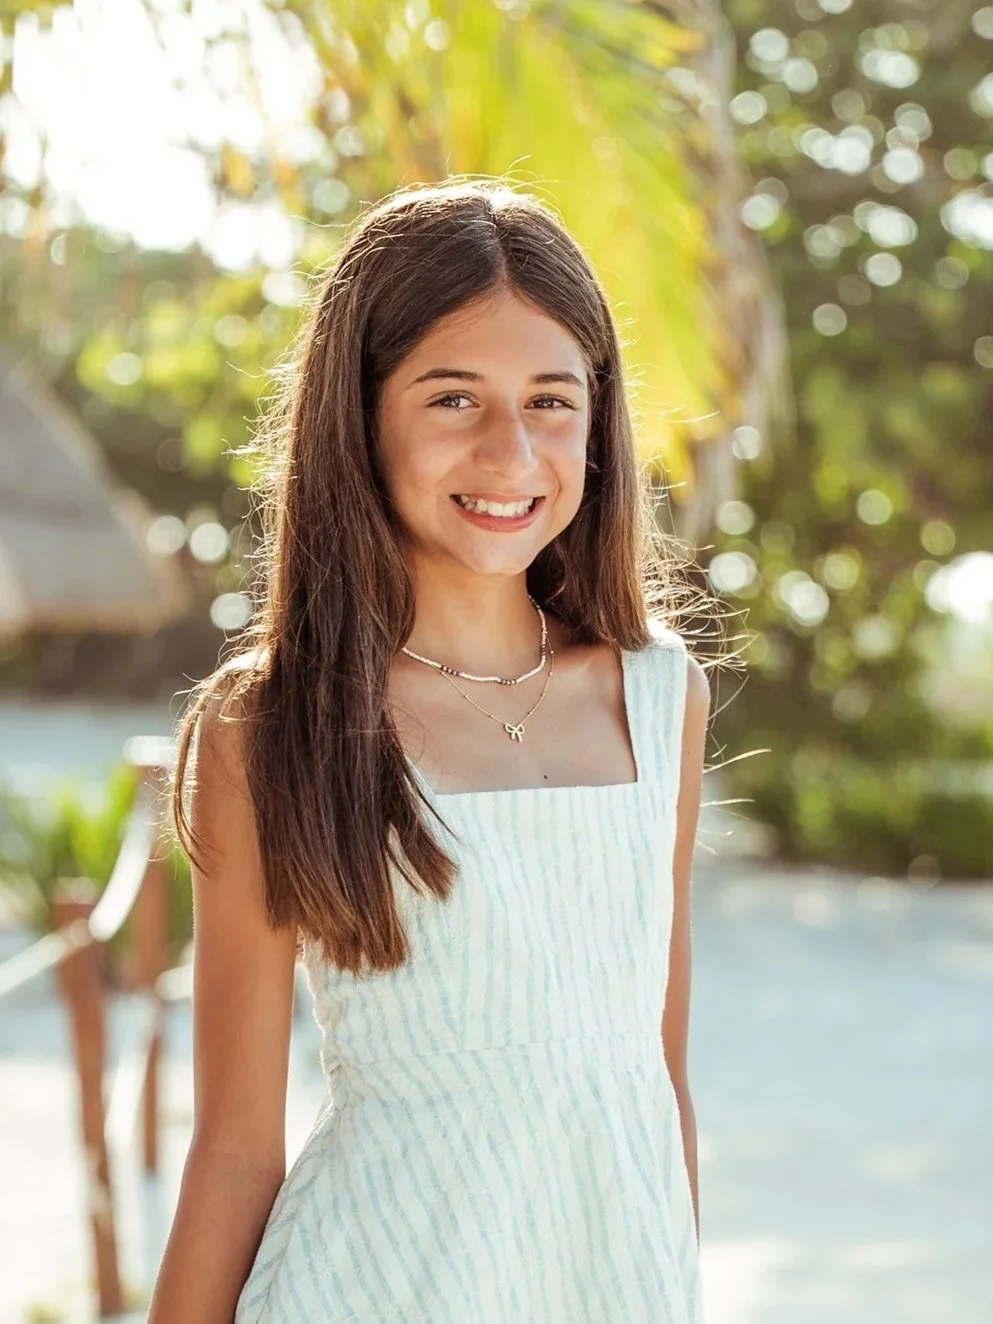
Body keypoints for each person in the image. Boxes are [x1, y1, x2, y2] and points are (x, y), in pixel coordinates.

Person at [148, 178, 714, 1324]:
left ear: (598, 424)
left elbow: (655, 1084)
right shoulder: (270, 727)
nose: (512, 449)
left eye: (551, 400)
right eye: (453, 397)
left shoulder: (662, 700)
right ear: (358, 418)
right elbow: (236, 1150)